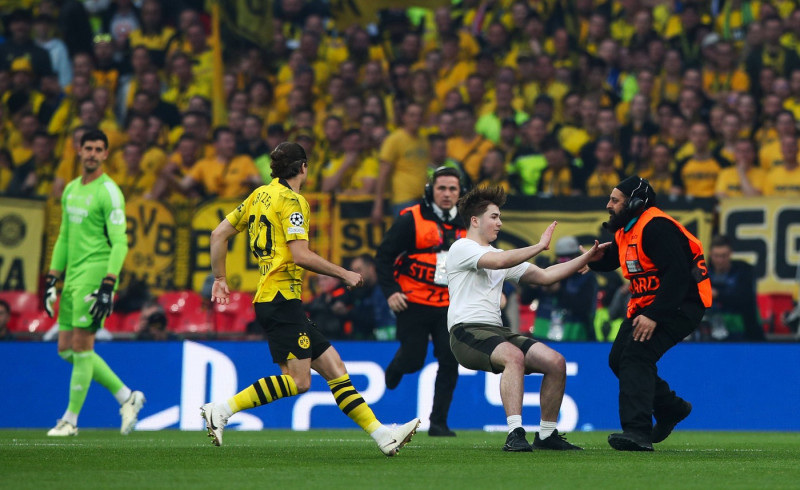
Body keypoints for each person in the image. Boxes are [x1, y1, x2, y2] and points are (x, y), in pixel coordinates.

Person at [200, 142, 419, 455]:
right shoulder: (293, 201)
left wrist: (220, 278)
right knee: (299, 382)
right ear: (303, 167)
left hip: (275, 299)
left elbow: (217, 234)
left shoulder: (259, 195)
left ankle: (383, 435)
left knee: (335, 368)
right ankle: (222, 409)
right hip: (280, 299)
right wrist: (343, 273)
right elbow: (300, 255)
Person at [446, 185, 607, 451]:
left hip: (496, 332)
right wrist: (540, 246)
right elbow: (498, 263)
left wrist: (586, 257)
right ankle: (515, 433)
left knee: (555, 362)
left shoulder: (499, 256)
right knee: (514, 357)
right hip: (466, 331)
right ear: (475, 221)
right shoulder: (462, 247)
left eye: (499, 217)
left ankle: (546, 435)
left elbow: (545, 276)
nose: (500, 222)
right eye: (494, 216)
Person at [588, 176, 712, 451]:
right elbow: (620, 259)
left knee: (636, 355)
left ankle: (637, 432)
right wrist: (595, 261)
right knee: (618, 359)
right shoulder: (627, 228)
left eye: (615, 200)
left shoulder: (656, 227)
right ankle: (671, 408)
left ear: (634, 202)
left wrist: (655, 314)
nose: (608, 205)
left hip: (681, 304)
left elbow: (678, 276)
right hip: (649, 305)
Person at [42, 129, 146, 437]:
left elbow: (120, 242)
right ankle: (127, 397)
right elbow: (63, 236)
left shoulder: (109, 192)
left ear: (105, 154)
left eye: (98, 149)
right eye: (87, 147)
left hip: (96, 275)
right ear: (78, 150)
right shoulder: (71, 189)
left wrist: (108, 283)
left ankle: (70, 420)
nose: (92, 153)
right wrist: (52, 276)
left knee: (83, 347)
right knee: (65, 349)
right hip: (72, 277)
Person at [375, 166, 466, 437]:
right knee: (414, 359)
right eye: (441, 188)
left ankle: (438, 423)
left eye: (452, 189)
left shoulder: (470, 221)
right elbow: (383, 256)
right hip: (412, 300)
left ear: (461, 193)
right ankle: (397, 366)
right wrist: (391, 291)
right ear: (430, 190)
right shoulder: (411, 219)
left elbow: (487, 260)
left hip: (450, 304)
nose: (447, 194)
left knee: (450, 360)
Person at [520, 236, 599, 341]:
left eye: (570, 257)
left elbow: (584, 308)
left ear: (577, 255)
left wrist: (558, 291)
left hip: (575, 339)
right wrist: (534, 281)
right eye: (562, 258)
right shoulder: (549, 272)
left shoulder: (586, 276)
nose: (566, 261)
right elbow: (525, 300)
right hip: (543, 337)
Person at [706, 235, 764, 341]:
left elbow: (743, 298)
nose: (720, 260)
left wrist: (717, 294)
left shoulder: (744, 272)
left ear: (730, 254)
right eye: (716, 256)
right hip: (713, 334)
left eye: (724, 256)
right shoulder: (704, 275)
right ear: (710, 254)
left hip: (746, 333)